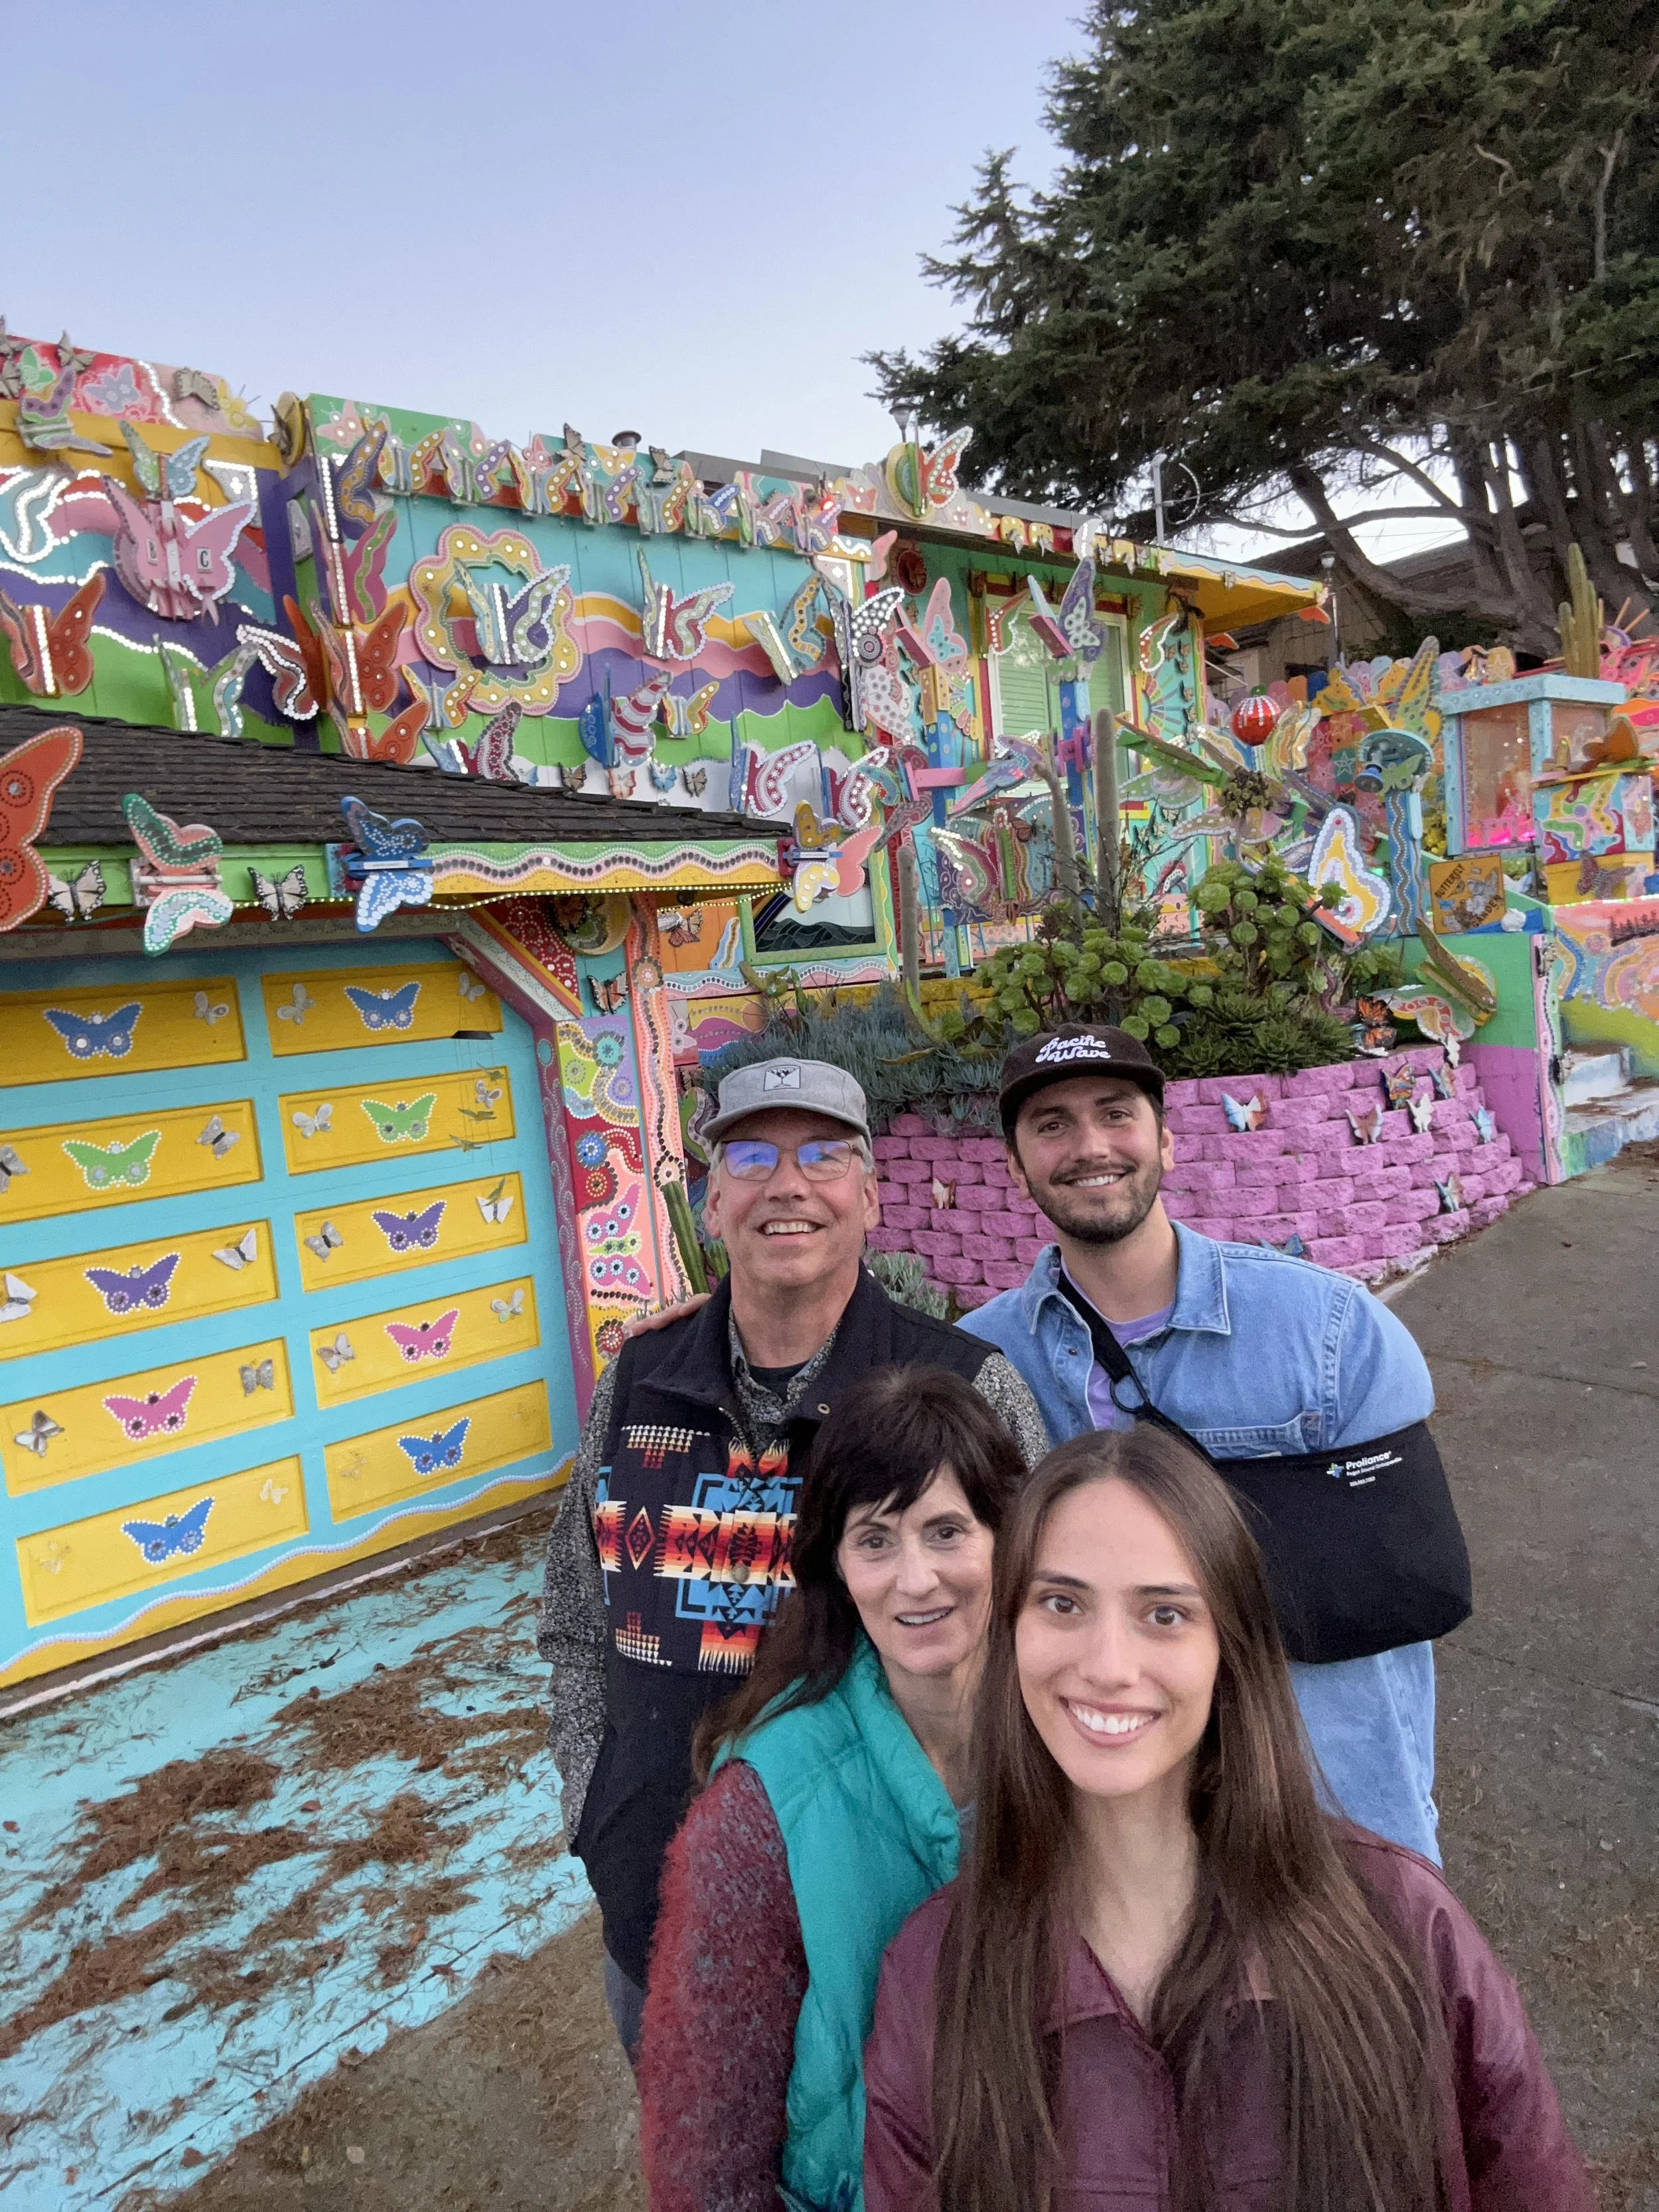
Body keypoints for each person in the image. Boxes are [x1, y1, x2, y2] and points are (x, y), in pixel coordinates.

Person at [863, 1426, 1591, 2212]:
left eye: (1165, 1615)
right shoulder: (936, 1974)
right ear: (1012, 1633)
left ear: (1230, 1649)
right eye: (1062, 1603)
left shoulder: (1405, 1929)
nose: (1108, 1665)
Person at [536, 1056, 1046, 2061]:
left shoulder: (965, 1388)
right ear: (711, 1196)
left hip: (904, 1923)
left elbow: (1040, 1630)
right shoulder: (638, 1383)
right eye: (753, 1154)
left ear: (869, 1193)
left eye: (823, 1154)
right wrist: (596, 1806)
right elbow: (574, 1618)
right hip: (661, 1915)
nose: (788, 1183)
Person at [960, 1023, 1467, 1861]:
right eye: (1051, 1125)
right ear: (1016, 1166)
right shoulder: (979, 1362)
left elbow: (1406, 1581)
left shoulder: (1326, 1332)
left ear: (1164, 1137)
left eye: (1115, 1115)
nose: (1089, 1147)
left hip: (1320, 1819)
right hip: (1109, 1838)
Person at [638, 1365, 1025, 2212]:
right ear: (835, 1567)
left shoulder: (1078, 1748)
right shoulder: (760, 1816)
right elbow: (704, 2168)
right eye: (876, 1540)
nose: (915, 1578)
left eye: (947, 1531)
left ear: (1011, 1537)